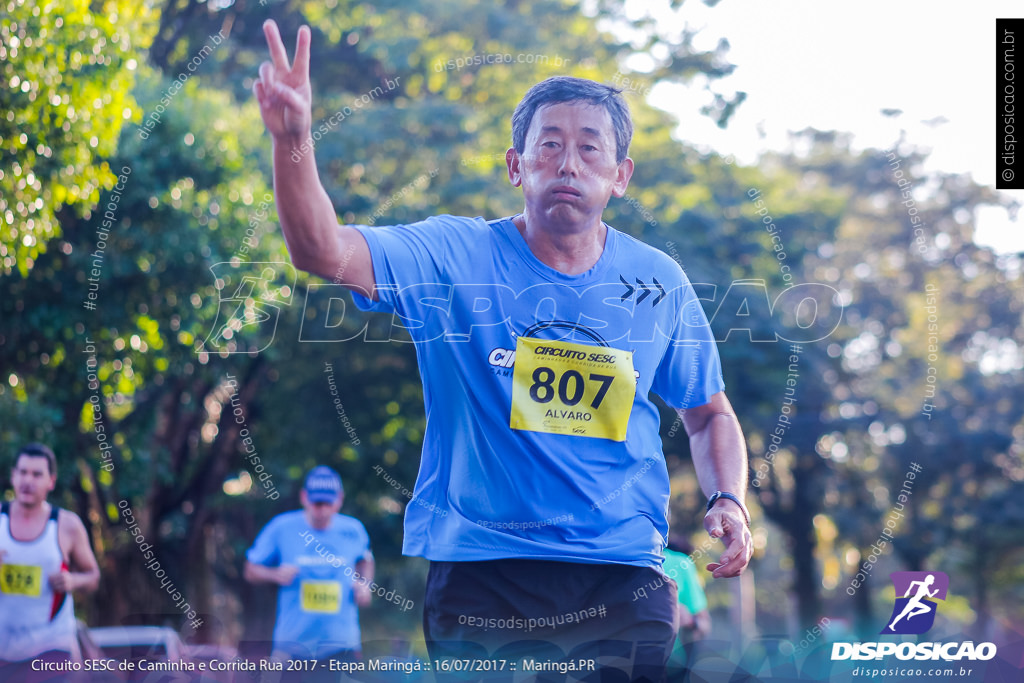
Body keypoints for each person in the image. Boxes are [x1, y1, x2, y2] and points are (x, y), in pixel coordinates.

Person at [253, 19, 752, 678]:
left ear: (620, 175)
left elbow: (710, 413)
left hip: (621, 575)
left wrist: (728, 499)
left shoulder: (658, 281)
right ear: (516, 166)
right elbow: (322, 249)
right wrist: (293, 141)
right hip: (483, 574)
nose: (568, 163)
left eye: (589, 148)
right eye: (548, 145)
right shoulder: (454, 254)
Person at [244, 466, 374, 678]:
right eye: (316, 503)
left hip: (342, 647)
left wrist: (365, 585)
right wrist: (274, 574)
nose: (321, 510)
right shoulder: (281, 527)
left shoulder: (354, 530)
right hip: (292, 648)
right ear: (304, 497)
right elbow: (250, 570)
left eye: (327, 503)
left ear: (339, 499)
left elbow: (366, 560)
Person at [0, 443, 101, 673]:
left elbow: (94, 577)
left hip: (52, 649)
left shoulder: (67, 525)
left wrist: (72, 581)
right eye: (23, 472)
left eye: (37, 474)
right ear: (13, 476)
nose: (28, 481)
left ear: (51, 481)